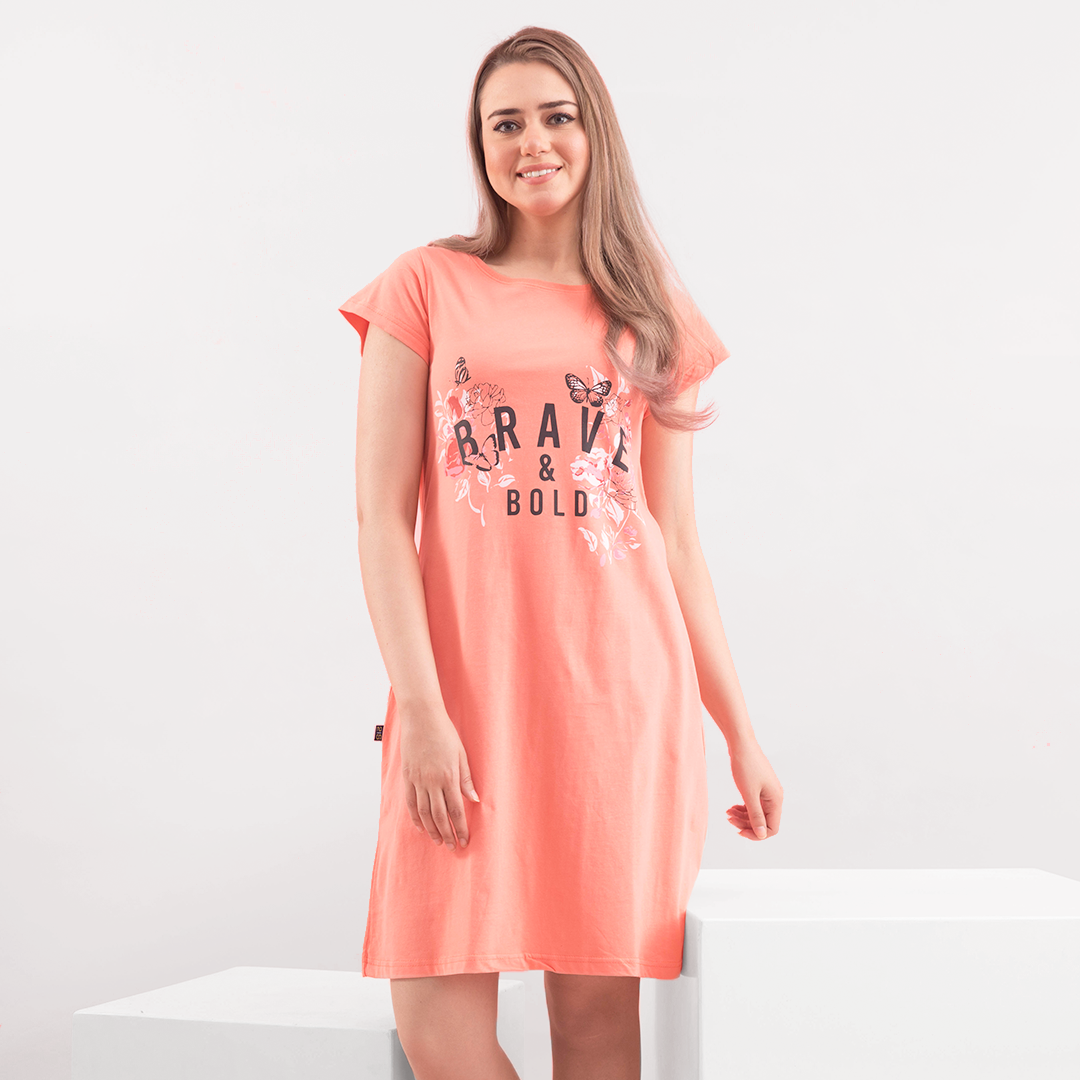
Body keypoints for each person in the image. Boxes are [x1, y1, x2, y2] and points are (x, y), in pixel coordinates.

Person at [337, 25, 783, 1080]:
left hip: (612, 702)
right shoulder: (425, 285)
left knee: (593, 1030)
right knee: (436, 1022)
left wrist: (741, 733)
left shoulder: (651, 311)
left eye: (556, 116)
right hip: (461, 703)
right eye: (505, 124)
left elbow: (675, 540)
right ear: (480, 146)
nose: (531, 142)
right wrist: (423, 710)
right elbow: (379, 520)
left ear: (595, 133)